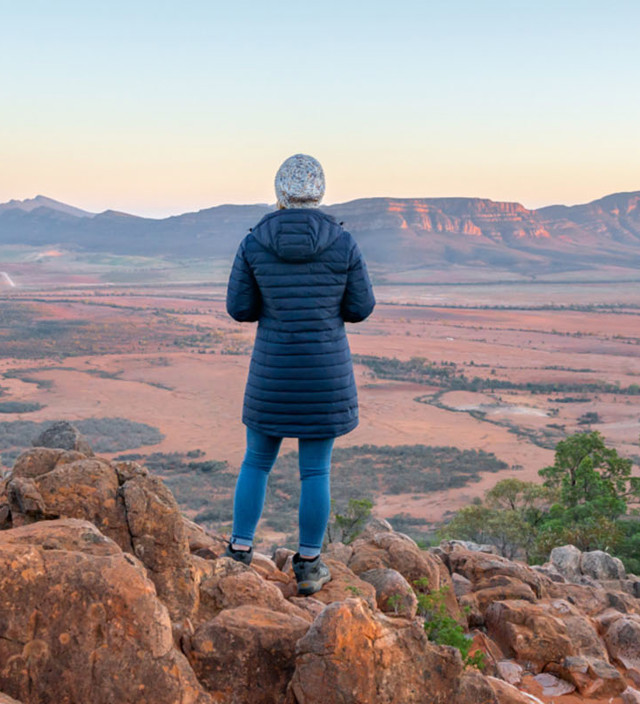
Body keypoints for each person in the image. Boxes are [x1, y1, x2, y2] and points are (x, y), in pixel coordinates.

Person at [224, 153, 376, 596]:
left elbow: (240, 308)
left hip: (272, 373)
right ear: (320, 191)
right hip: (324, 376)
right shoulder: (342, 242)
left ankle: (238, 551)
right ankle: (309, 566)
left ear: (280, 193)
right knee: (316, 472)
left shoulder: (254, 242)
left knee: (256, 462)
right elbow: (360, 308)